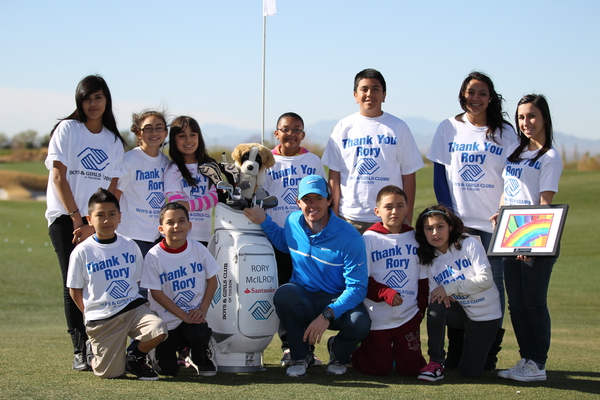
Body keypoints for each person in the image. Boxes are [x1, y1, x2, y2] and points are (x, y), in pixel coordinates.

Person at [426, 71, 516, 369]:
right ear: (462, 95)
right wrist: (449, 217)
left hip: (494, 222)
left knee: (492, 285)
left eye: (481, 93)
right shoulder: (448, 128)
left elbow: (513, 176)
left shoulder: (505, 132)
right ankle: (458, 346)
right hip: (459, 222)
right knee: (457, 281)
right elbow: (440, 174)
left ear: (490, 98)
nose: (474, 98)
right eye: (469, 92)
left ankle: (488, 349)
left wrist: (506, 208)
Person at [243, 175, 370, 377]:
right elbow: (284, 243)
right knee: (285, 295)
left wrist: (327, 314)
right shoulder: (293, 221)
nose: (312, 205)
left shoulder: (350, 237)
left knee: (359, 322)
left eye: (318, 198)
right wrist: (264, 221)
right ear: (298, 202)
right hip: (303, 297)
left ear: (329, 200)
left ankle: (338, 351)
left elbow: (357, 288)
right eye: (307, 199)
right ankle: (300, 356)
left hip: (335, 299)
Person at [45, 75, 126, 371]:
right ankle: (79, 346)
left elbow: (115, 188)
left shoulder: (114, 141)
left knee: (100, 281)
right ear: (79, 101)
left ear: (107, 101)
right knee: (73, 281)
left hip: (96, 223)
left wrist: (94, 223)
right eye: (87, 98)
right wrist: (77, 218)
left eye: (98, 98)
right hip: (66, 219)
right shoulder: (67, 129)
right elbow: (58, 177)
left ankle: (100, 340)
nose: (93, 104)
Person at [495, 94, 563, 382]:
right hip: (510, 235)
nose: (526, 122)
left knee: (534, 302)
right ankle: (525, 360)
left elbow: (545, 203)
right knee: (516, 304)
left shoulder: (549, 156)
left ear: (544, 118)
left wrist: (534, 244)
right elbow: (508, 190)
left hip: (536, 236)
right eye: (521, 117)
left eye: (532, 116)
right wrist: (499, 214)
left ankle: (539, 363)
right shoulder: (514, 150)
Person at [66, 188, 167, 380]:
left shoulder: (130, 245)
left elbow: (136, 281)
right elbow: (74, 289)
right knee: (110, 374)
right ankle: (94, 351)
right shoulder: (82, 251)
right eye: (100, 215)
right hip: (102, 318)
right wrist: (87, 313)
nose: (106, 220)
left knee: (159, 329)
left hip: (131, 309)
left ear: (120, 217)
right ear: (89, 220)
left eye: (112, 214)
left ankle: (134, 357)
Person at [322, 68, 423, 234]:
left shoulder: (399, 127)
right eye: (364, 89)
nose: (370, 94)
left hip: (389, 219)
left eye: (376, 89)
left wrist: (406, 217)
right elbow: (334, 175)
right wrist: (334, 215)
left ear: (384, 95)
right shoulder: (343, 127)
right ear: (355, 95)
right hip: (350, 218)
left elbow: (409, 176)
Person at [263, 112, 326, 366]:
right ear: (276, 133)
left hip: (305, 240)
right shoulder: (266, 159)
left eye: (297, 129)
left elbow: (322, 197)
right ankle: (289, 347)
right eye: (285, 129)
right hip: (275, 237)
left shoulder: (313, 160)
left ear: (303, 134)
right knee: (282, 295)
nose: (291, 134)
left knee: (305, 294)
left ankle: (306, 349)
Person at [415, 205, 501, 381]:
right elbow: (435, 294)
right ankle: (436, 361)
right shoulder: (428, 258)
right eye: (428, 228)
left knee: (471, 373)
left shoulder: (469, 243)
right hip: (459, 311)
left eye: (440, 226)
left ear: (450, 227)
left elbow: (485, 279)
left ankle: (488, 348)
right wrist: (444, 293)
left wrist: (449, 288)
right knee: (436, 306)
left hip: (484, 314)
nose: (435, 232)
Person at [351, 185, 428, 376]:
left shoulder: (416, 238)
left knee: (411, 370)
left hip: (408, 316)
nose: (394, 211)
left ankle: (396, 354)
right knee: (377, 369)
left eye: (400, 206)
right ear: (377, 211)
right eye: (388, 207)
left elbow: (423, 279)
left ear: (407, 209)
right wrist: (385, 293)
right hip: (378, 317)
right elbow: (361, 279)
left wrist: (420, 311)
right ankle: (352, 350)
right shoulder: (368, 238)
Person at [141, 202, 220, 377]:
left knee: (199, 331)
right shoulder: (154, 256)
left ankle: (198, 355)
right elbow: (156, 293)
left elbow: (212, 281)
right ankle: (153, 353)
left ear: (189, 225)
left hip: (193, 318)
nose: (176, 226)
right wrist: (183, 316)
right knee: (166, 371)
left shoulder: (198, 249)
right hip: (165, 323)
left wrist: (202, 310)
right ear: (161, 229)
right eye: (170, 222)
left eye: (181, 221)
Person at [116, 109, 170, 257]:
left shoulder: (166, 162)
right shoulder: (130, 160)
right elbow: (116, 194)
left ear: (166, 133)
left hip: (157, 237)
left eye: (159, 128)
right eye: (148, 129)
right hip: (131, 235)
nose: (154, 132)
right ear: (139, 133)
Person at [163, 116, 218, 245]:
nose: (188, 140)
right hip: (181, 238)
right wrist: (201, 202)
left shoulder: (211, 166)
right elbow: (177, 204)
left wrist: (188, 205)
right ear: (174, 140)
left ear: (199, 137)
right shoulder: (173, 169)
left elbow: (216, 198)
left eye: (193, 135)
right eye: (182, 136)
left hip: (207, 238)